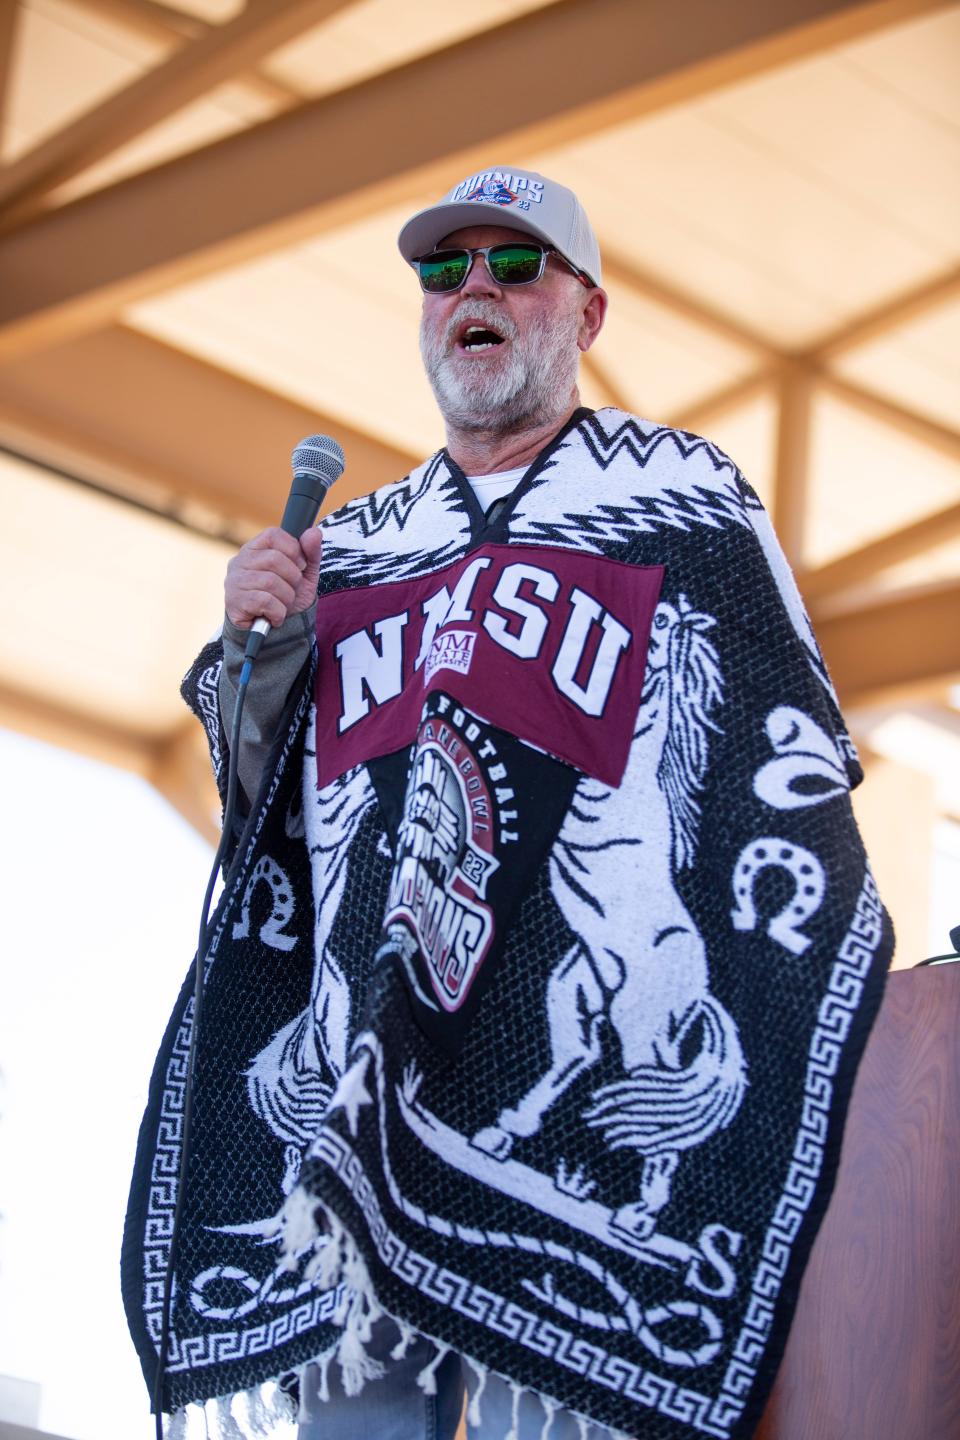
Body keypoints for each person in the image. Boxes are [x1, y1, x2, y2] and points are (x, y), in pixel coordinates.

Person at [124, 168, 893, 1440]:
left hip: (562, 1152)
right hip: (364, 1113)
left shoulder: (683, 501)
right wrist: (261, 654)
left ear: (586, 315)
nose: (472, 288)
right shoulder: (358, 548)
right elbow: (279, 824)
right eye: (443, 270)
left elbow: (785, 749)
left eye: (513, 265)